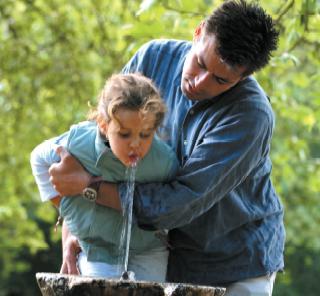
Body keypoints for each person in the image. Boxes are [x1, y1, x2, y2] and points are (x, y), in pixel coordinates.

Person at [48, 0, 285, 295]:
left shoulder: (251, 115)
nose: (198, 82)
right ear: (198, 33)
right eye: (199, 63)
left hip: (235, 262)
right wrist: (76, 229)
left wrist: (90, 188)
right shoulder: (151, 58)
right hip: (159, 250)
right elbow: (97, 146)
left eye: (220, 79)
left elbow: (177, 204)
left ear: (243, 77)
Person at [30, 73, 179, 281]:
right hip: (98, 248)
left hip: (148, 249)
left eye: (145, 134)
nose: (135, 144)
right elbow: (38, 158)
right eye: (125, 134)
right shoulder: (77, 145)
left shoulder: (164, 162)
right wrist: (66, 208)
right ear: (102, 123)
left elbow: (176, 201)